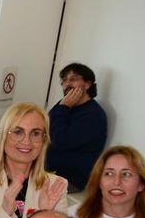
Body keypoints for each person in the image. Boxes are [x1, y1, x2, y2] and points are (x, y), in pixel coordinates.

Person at [46, 63, 107, 191]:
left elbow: (60, 140)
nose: (67, 84)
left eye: (73, 79)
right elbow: (44, 126)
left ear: (87, 84)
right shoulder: (66, 103)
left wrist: (63, 108)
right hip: (49, 173)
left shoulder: (93, 115)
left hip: (70, 181)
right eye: (64, 80)